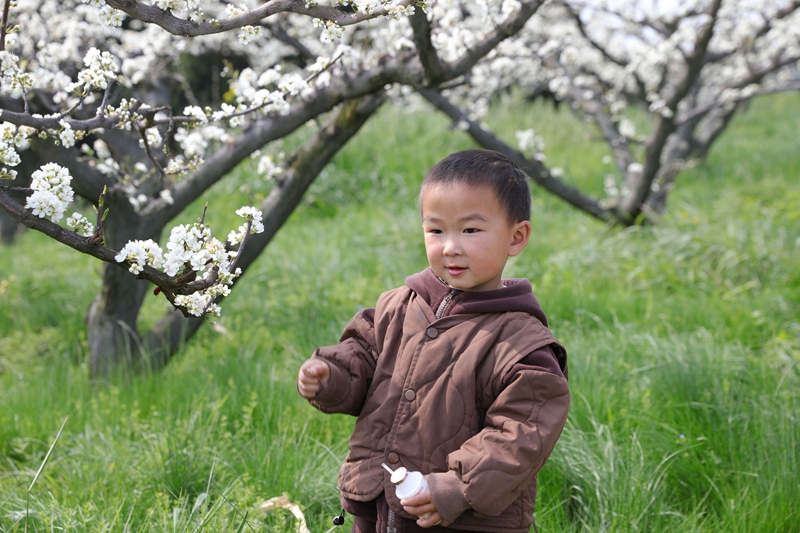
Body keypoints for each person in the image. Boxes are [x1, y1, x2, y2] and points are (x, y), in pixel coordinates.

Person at [297, 149, 570, 533]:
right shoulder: (398, 306)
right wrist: (330, 375)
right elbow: (364, 357)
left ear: (516, 237)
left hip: (463, 518)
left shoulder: (519, 341)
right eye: (436, 230)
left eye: (471, 230)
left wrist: (455, 488)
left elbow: (522, 433)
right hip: (379, 506)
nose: (450, 246)